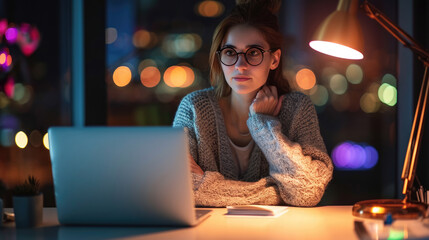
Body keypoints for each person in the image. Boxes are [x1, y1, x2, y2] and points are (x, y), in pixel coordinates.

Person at [173, 0, 333, 207]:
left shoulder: (296, 109)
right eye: (230, 52)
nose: (240, 66)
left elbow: (309, 191)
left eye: (254, 53)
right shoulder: (194, 108)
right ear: (219, 58)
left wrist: (263, 126)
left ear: (274, 59)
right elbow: (178, 188)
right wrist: (278, 192)